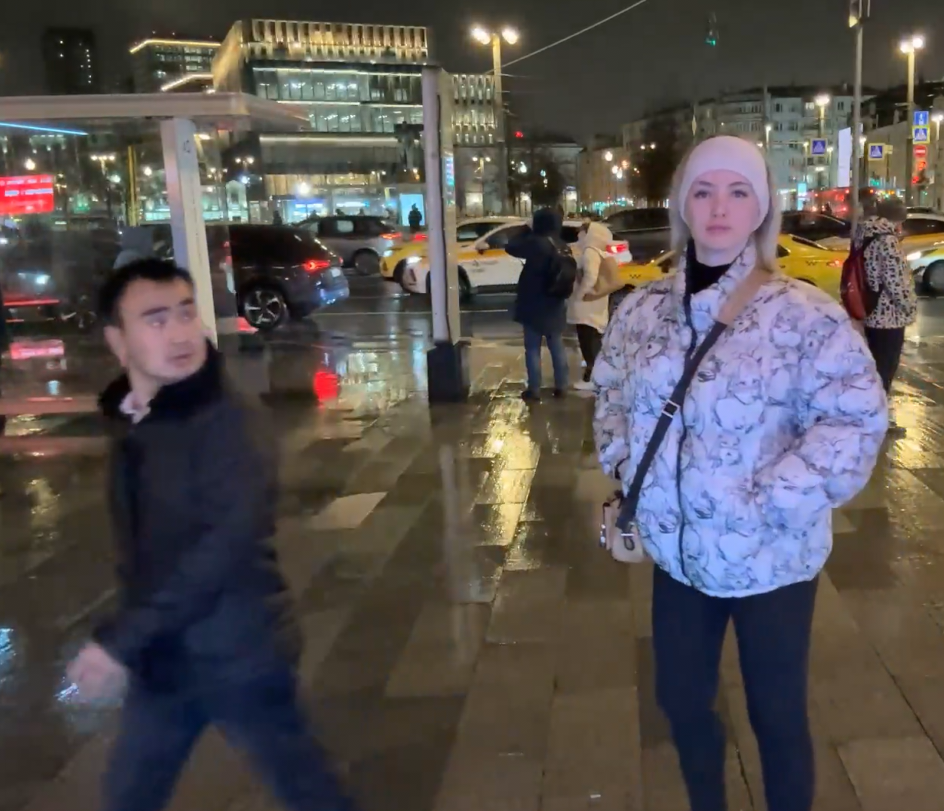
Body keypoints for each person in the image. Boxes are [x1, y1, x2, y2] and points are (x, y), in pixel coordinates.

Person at [593, 135, 887, 811]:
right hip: (678, 557)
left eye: (737, 192)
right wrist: (624, 461)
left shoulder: (805, 315)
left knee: (776, 716)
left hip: (771, 559)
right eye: (703, 191)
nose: (719, 207)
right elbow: (608, 391)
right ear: (683, 205)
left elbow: (856, 420)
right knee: (680, 703)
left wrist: (771, 500)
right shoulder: (642, 310)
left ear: (761, 209)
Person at [67, 259, 354, 811]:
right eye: (155, 320)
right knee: (128, 794)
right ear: (117, 341)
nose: (179, 333)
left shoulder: (229, 421)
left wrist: (120, 641)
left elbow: (222, 546)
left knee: (309, 791)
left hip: (237, 654)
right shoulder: (137, 417)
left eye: (185, 313)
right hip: (166, 658)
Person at [853, 195, 917, 433]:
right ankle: (876, 420)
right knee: (884, 371)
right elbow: (896, 282)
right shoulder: (887, 240)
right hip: (888, 317)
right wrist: (910, 307)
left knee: (872, 369)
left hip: (868, 310)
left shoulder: (864, 233)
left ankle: (866, 414)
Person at [507, 208, 570, 401]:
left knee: (533, 349)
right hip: (556, 303)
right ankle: (562, 386)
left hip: (533, 304)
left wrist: (526, 229)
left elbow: (511, 247)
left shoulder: (536, 243)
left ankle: (534, 389)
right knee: (557, 346)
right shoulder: (561, 244)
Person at [568, 222, 612, 391]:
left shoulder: (590, 252)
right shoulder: (599, 251)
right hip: (595, 303)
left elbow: (590, 277)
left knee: (587, 340)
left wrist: (580, 295)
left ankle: (592, 378)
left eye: (581, 232)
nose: (578, 235)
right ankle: (597, 373)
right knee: (594, 338)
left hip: (587, 306)